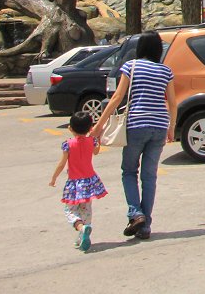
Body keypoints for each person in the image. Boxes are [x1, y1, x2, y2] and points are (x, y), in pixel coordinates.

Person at [92, 31, 177, 241]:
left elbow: (117, 98)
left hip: (136, 125)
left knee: (129, 171)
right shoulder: (166, 71)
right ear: (158, 49)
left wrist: (99, 126)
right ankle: (145, 225)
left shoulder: (131, 66)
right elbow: (173, 103)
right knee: (149, 177)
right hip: (159, 126)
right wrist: (171, 128)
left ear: (140, 48)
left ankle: (135, 214)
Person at [50, 111, 107, 252]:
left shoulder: (68, 144)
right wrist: (97, 136)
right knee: (86, 210)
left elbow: (62, 164)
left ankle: (81, 228)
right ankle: (83, 232)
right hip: (89, 182)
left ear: (70, 128)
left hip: (74, 183)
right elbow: (96, 151)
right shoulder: (91, 141)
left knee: (70, 211)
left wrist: (54, 177)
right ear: (89, 128)